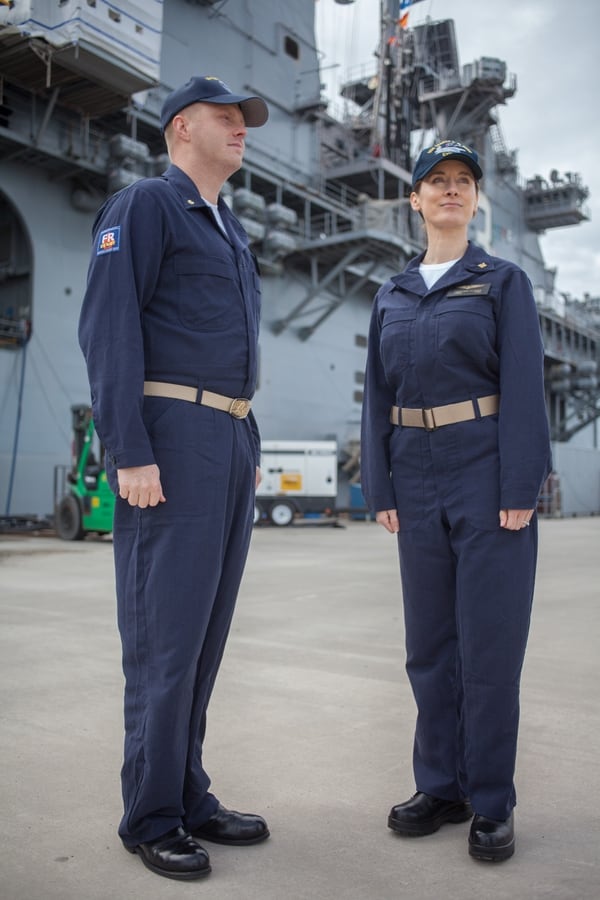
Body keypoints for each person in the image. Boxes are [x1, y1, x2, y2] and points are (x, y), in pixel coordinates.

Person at [78, 75, 270, 881]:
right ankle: (150, 813)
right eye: (226, 119)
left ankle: (187, 792)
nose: (242, 131)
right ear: (180, 127)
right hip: (173, 435)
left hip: (229, 435)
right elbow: (108, 329)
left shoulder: (227, 228)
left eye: (245, 122)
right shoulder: (145, 207)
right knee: (163, 640)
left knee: (202, 638)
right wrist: (128, 451)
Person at [360, 139, 551, 863]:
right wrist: (380, 486)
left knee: (490, 649)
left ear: (476, 201)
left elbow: (526, 391)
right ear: (414, 199)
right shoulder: (393, 292)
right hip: (414, 472)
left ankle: (492, 800)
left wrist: (519, 486)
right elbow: (378, 395)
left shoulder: (502, 283)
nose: (448, 190)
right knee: (429, 647)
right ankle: (441, 785)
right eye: (435, 181)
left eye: (461, 182)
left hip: (484, 469)